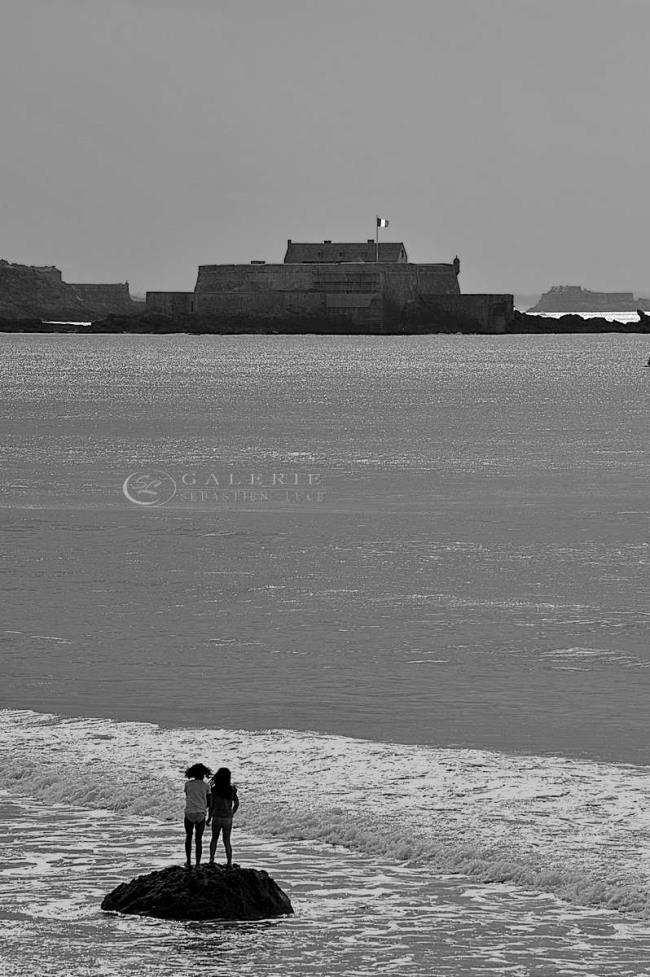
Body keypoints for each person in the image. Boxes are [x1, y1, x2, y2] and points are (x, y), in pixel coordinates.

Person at [207, 767, 239, 868]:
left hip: (217, 816)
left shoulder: (214, 790)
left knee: (214, 839)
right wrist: (231, 813)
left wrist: (209, 818)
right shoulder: (231, 789)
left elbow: (211, 806)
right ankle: (229, 862)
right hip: (227, 818)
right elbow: (237, 803)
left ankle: (211, 859)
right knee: (227, 840)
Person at [183, 762, 212, 868]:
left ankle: (188, 861)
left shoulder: (188, 784)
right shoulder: (206, 786)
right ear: (204, 774)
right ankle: (198, 864)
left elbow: (188, 796)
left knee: (188, 837)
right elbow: (209, 802)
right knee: (198, 839)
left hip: (189, 813)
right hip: (200, 813)